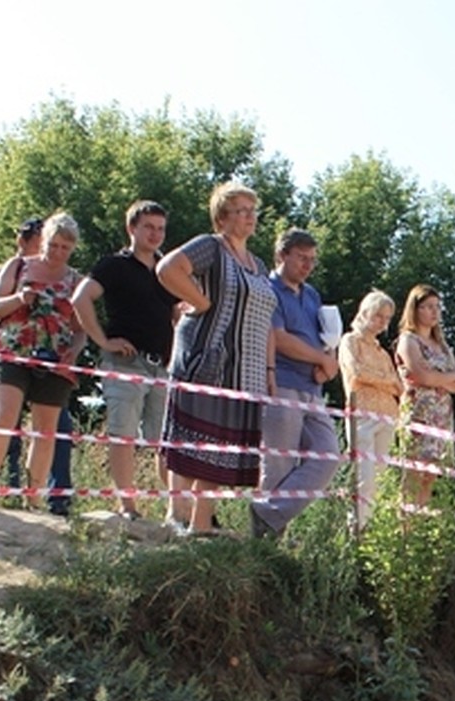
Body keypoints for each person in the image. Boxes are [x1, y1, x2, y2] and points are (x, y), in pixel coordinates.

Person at [156, 182, 276, 534]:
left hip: (247, 369)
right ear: (222, 217)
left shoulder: (258, 263)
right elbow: (168, 268)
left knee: (224, 443)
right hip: (209, 358)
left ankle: (202, 521)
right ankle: (176, 514)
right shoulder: (211, 246)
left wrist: (269, 368)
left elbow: (267, 318)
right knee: (193, 436)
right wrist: (201, 302)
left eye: (253, 210)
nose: (250, 217)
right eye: (242, 210)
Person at [73, 200, 178, 518]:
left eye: (160, 228)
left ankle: (178, 508)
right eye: (148, 227)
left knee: (165, 440)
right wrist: (102, 340)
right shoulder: (113, 265)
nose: (155, 234)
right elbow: (81, 298)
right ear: (131, 228)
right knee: (124, 433)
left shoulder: (166, 269)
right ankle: (127, 505)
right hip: (124, 363)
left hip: (161, 365)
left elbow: (175, 313)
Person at [249, 229, 340, 539]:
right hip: (280, 383)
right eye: (302, 258)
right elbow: (280, 339)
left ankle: (265, 513)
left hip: (312, 388)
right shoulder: (267, 289)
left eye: (312, 260)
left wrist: (328, 363)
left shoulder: (312, 295)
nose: (308, 265)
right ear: (282, 255)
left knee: (328, 454)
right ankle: (266, 544)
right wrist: (321, 358)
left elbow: (328, 337)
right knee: (278, 464)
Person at [0, 212, 86, 506]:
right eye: (54, 244)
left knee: (45, 431)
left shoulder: (76, 280)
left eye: (65, 248)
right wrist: (19, 299)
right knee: (4, 417)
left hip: (55, 360)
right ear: (44, 240)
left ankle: (32, 500)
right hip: (12, 351)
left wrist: (75, 350)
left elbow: (81, 328)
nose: (58, 252)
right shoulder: (18, 266)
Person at [393, 284, 455, 508]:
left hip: (442, 417)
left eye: (437, 307)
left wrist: (439, 379)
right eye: (428, 307)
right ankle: (405, 527)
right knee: (414, 473)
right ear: (415, 309)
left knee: (430, 477)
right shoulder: (408, 341)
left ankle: (420, 525)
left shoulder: (442, 345)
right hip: (418, 415)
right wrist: (445, 379)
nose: (435, 312)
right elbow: (419, 375)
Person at [338, 289, 402, 531]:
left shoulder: (382, 352)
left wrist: (380, 380)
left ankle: (372, 531)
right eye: (378, 316)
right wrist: (385, 380)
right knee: (362, 478)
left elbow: (399, 386)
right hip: (362, 414)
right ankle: (356, 529)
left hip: (388, 416)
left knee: (381, 479)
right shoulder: (350, 341)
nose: (382, 323)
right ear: (365, 313)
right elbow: (356, 374)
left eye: (387, 318)